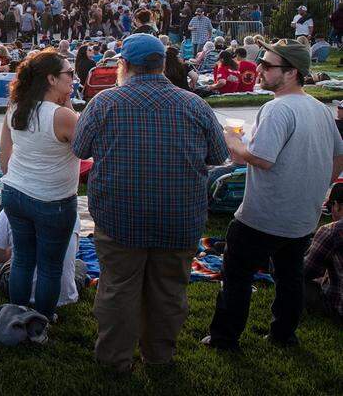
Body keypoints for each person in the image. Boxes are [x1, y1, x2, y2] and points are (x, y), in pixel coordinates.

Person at [72, 33, 228, 372]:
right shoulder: (194, 104)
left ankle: (115, 360)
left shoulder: (104, 103)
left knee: (118, 289)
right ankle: (159, 357)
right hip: (180, 219)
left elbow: (79, 150)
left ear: (124, 66)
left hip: (119, 219)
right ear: (161, 64)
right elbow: (219, 156)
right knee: (169, 291)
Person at [204, 40, 343, 350]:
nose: (260, 70)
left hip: (263, 216)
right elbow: (338, 155)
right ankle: (284, 335)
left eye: (268, 66)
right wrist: (319, 186)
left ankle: (225, 338)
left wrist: (233, 142)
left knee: (236, 275)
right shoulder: (319, 109)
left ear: (292, 72)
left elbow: (261, 159)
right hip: (301, 218)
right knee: (290, 276)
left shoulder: (277, 108)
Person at [0, 49, 80, 320]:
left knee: (22, 258)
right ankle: (42, 320)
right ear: (51, 79)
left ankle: (17, 313)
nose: (73, 77)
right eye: (69, 73)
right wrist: (68, 105)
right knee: (50, 266)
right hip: (52, 201)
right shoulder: (63, 117)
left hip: (14, 192)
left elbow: (4, 155)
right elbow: (87, 148)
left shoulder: (16, 107)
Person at [303, 182, 343, 323]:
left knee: (290, 276)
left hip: (337, 307)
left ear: (337, 205)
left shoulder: (332, 231)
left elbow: (306, 271)